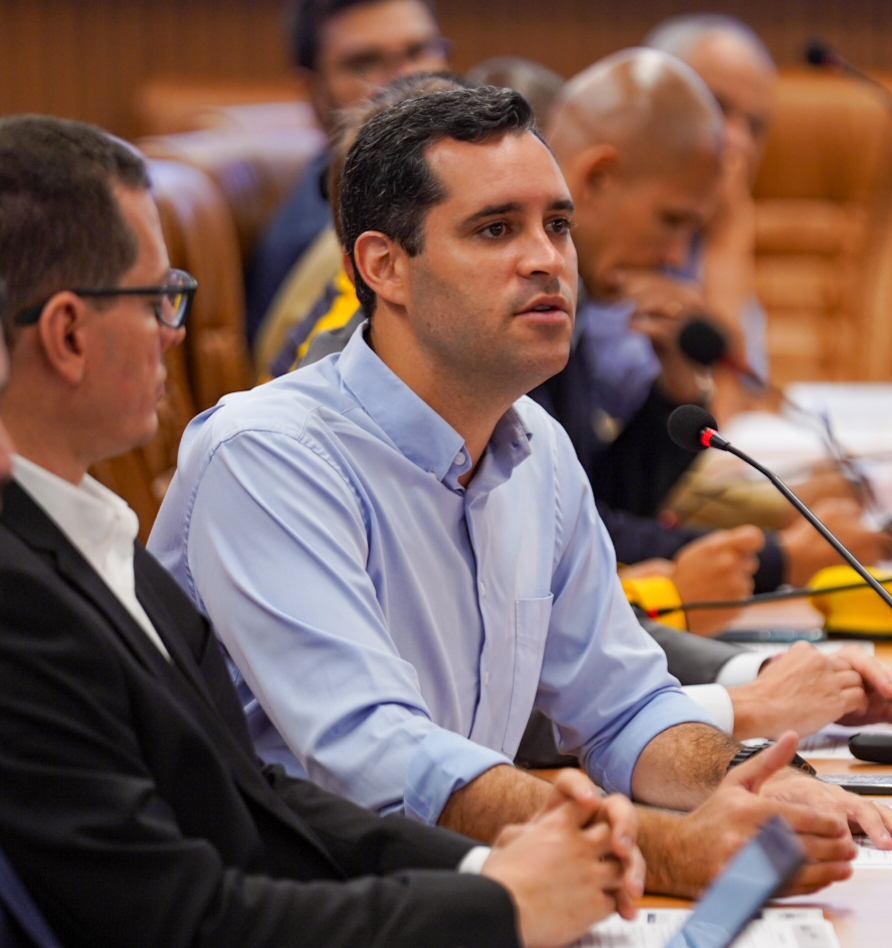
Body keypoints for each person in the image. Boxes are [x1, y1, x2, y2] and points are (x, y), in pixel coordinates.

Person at [150, 85, 892, 899]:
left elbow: (624, 709)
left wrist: (755, 783)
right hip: (303, 908)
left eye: (557, 225)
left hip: (463, 896)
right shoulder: (268, 457)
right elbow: (377, 760)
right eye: (495, 229)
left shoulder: (537, 448)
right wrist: (667, 850)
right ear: (384, 267)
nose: (546, 258)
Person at [0, 113, 641, 948]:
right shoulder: (21, 597)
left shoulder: (101, 542)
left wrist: (489, 869)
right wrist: (500, 907)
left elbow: (259, 804)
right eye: (158, 298)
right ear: (67, 334)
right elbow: (175, 919)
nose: (176, 329)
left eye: (557, 226)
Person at [537, 50, 892, 608]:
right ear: (598, 177)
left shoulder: (573, 295)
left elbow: (595, 500)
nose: (674, 256)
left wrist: (676, 391)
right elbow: (563, 540)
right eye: (671, 221)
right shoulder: (519, 306)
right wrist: (780, 559)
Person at [247, 0, 450, 349]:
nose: (406, 77)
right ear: (311, 89)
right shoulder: (323, 238)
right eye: (365, 62)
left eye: (418, 51)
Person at [644, 14, 777, 420]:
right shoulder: (615, 249)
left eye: (755, 126)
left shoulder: (710, 231)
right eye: (716, 106)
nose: (738, 142)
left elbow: (741, 402)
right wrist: (728, 242)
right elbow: (711, 420)